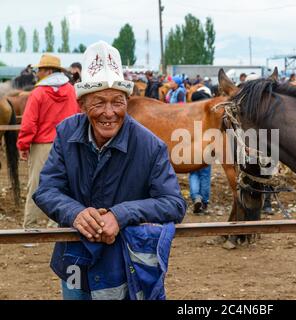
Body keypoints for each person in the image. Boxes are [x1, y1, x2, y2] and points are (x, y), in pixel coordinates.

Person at [33, 41, 186, 300]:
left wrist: (121, 214)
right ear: (81, 104)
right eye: (99, 102)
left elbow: (173, 203)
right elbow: (47, 189)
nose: (109, 112)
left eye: (118, 102)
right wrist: (75, 213)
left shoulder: (150, 146)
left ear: (128, 101)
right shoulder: (66, 132)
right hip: (75, 255)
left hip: (125, 258)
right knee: (76, 295)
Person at [17, 53, 80, 229]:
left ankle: (31, 226)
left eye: (40, 70)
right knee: (62, 184)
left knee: (36, 184)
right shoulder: (71, 91)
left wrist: (23, 144)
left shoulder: (38, 93)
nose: (37, 73)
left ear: (49, 71)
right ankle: (55, 224)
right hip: (66, 144)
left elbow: (29, 123)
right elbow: (78, 118)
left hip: (41, 145)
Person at [189, 86, 213, 215]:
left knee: (193, 173)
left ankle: (196, 197)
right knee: (205, 174)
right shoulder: (209, 116)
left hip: (191, 148)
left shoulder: (189, 113)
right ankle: (204, 201)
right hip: (206, 148)